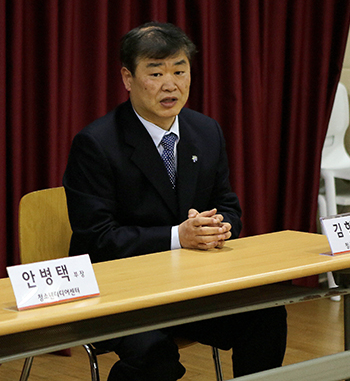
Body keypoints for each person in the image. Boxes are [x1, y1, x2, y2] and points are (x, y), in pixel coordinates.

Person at [63, 22, 287, 380]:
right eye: (156, 73)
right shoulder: (97, 144)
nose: (171, 85)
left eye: (180, 71)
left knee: (266, 314)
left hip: (188, 286)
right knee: (155, 357)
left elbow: (228, 204)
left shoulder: (205, 130)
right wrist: (178, 237)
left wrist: (219, 227)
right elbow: (97, 238)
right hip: (120, 293)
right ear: (127, 78)